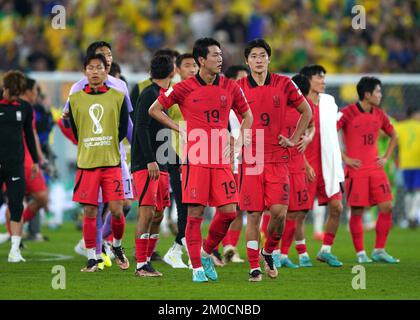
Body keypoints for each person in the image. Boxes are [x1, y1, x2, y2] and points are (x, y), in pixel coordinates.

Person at [149, 37, 253, 283]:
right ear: (201, 60)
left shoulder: (230, 86)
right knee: (195, 213)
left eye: (221, 54)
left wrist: (238, 143)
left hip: (221, 161)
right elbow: (154, 109)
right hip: (195, 159)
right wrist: (178, 128)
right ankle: (196, 267)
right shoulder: (183, 87)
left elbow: (248, 115)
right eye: (215, 55)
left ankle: (206, 251)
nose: (220, 59)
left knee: (229, 212)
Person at [237, 39, 312, 281]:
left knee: (280, 212)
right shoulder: (237, 87)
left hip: (279, 157)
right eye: (254, 56)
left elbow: (307, 112)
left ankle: (268, 250)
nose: (258, 60)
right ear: (247, 61)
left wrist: (294, 138)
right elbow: (222, 116)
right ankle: (253, 266)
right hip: (253, 158)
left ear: (269, 59)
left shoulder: (284, 83)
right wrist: (234, 139)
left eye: (262, 55)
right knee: (254, 214)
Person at [59, 41, 134, 269]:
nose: (96, 70)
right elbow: (70, 123)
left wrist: (122, 145)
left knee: (119, 209)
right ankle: (93, 256)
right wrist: (86, 143)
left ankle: (117, 245)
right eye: (91, 67)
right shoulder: (75, 95)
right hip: (88, 162)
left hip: (113, 159)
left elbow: (124, 126)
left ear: (107, 67)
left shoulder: (119, 91)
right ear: (85, 69)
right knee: (91, 210)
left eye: (101, 64)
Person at [338, 76, 399, 263]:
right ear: (367, 94)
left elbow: (393, 134)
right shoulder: (347, 112)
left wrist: (386, 157)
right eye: (378, 92)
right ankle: (361, 253)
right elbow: (330, 135)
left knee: (387, 205)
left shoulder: (379, 114)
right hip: (356, 170)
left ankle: (379, 250)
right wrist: (345, 158)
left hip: (375, 168)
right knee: (357, 211)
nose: (380, 95)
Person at [132, 54, 176, 277]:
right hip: (147, 163)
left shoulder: (164, 95)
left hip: (163, 163)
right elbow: (139, 127)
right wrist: (150, 159)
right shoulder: (148, 94)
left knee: (158, 213)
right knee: (147, 213)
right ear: (172, 73)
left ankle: (147, 260)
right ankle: (141, 265)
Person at [299, 64, 345, 267]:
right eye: (319, 77)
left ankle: (326, 249)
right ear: (309, 80)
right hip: (306, 166)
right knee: (298, 213)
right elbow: (297, 138)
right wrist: (305, 164)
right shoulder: (299, 104)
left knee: (337, 207)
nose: (323, 81)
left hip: (329, 167)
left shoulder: (329, 102)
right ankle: (297, 253)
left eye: (324, 78)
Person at [163, 53, 199, 269]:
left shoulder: (201, 90)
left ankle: (181, 248)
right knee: (185, 204)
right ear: (177, 69)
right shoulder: (173, 92)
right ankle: (177, 249)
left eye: (195, 65)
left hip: (198, 154)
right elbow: (158, 117)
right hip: (177, 155)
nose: (193, 69)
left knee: (194, 205)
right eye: (187, 65)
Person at [0, 70, 39, 262]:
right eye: (11, 93)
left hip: (15, 165)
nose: (14, 97)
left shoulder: (25, 108)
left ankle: (15, 250)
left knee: (16, 206)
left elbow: (30, 137)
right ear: (4, 88)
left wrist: (35, 162)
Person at [219, 64, 249, 264]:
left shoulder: (245, 107)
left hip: (248, 161)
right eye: (241, 80)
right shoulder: (224, 104)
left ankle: (231, 247)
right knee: (227, 205)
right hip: (229, 161)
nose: (245, 84)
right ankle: (220, 245)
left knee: (241, 207)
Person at [394, 106, 420, 228]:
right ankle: (412, 216)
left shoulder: (400, 127)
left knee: (409, 190)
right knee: (416, 190)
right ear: (414, 114)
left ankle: (410, 216)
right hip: (417, 163)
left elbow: (393, 140)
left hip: (405, 163)